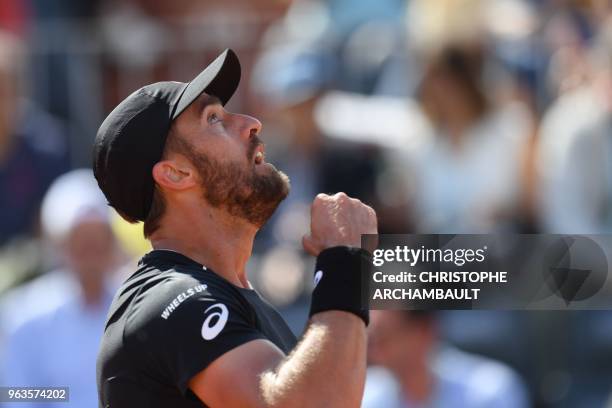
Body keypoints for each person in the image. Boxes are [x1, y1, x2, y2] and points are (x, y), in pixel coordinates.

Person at [94, 49, 377, 407]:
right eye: (214, 119)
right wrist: (345, 261)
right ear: (176, 173)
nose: (251, 122)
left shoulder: (232, 299)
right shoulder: (169, 299)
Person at [1, 169, 121, 408]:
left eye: (98, 242)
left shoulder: (135, 304)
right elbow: (13, 394)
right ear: (61, 245)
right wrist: (65, 396)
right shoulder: (24, 314)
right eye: (82, 244)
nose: (91, 255)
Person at [362, 310, 530, 408]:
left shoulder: (490, 389)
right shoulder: (366, 396)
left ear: (423, 331)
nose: (374, 347)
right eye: (371, 338)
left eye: (384, 336)